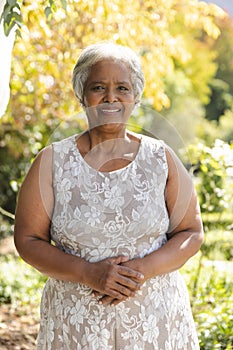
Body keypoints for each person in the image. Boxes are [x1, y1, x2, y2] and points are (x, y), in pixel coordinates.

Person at [14, 42, 204, 350]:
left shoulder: (161, 158)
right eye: (98, 87)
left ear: (135, 96)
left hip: (155, 322)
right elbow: (28, 240)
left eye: (123, 88)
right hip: (76, 323)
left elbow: (191, 232)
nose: (111, 97)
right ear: (81, 95)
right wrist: (89, 273)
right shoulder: (51, 162)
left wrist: (141, 271)